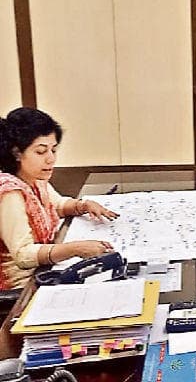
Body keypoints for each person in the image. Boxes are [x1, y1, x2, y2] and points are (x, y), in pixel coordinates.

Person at [0, 108, 118, 290]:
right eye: (41, 152)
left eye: (53, 150)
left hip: (46, 271)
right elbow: (23, 254)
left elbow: (58, 205)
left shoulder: (34, 179)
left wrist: (83, 206)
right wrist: (75, 249)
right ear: (17, 153)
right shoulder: (10, 192)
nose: (51, 159)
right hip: (22, 288)